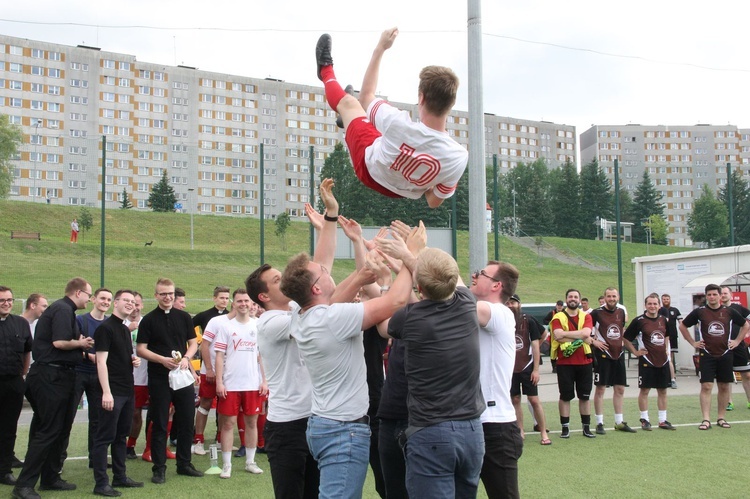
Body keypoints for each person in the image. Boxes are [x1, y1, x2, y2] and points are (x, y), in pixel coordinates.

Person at [280, 240, 414, 497]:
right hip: (344, 430)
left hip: (324, 424)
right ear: (317, 287)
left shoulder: (300, 315)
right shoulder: (333, 319)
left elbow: (329, 299)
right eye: (323, 272)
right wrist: (410, 256)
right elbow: (397, 301)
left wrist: (362, 273)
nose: (328, 271)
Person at [315, 28, 468, 208]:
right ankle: (348, 120)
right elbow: (433, 201)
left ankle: (325, 69)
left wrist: (381, 48)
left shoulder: (398, 123)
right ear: (451, 104)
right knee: (377, 128)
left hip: (369, 168)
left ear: (421, 98)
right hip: (399, 191)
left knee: (349, 103)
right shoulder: (458, 157)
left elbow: (366, 97)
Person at [383, 248, 485, 498]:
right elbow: (451, 277)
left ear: (419, 286)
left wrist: (397, 272)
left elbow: (384, 321)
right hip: (472, 431)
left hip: (431, 431)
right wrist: (412, 253)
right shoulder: (467, 304)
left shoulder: (408, 318)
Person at [13, 278, 95, 499]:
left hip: (59, 375)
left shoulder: (64, 311)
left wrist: (79, 346)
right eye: (89, 294)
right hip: (51, 376)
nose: (90, 299)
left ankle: (50, 478)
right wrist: (82, 344)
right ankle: (23, 486)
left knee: (57, 429)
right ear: (78, 293)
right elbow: (59, 342)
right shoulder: (61, 309)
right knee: (48, 430)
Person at [136, 278, 203, 484]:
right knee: (160, 422)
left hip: (182, 376)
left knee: (185, 419)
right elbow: (141, 349)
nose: (167, 297)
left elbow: (192, 343)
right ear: (156, 295)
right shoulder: (148, 320)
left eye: (170, 294)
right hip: (159, 377)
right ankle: (159, 468)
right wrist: (161, 360)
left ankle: (184, 464)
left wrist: (185, 358)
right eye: (163, 294)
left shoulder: (183, 317)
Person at [469, 263, 523, 498]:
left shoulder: (501, 312)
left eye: (481, 274)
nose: (474, 276)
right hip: (468, 423)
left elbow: (456, 295)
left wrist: (416, 257)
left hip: (496, 428)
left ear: (496, 285)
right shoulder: (474, 311)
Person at [91, 290, 144, 497]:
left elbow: (117, 356)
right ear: (116, 303)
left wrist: (132, 361)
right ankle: (101, 483)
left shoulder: (123, 329)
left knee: (121, 435)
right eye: (126, 301)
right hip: (112, 391)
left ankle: (120, 476)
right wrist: (106, 392)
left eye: (133, 302)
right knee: (104, 437)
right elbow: (101, 361)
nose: (131, 304)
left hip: (126, 389)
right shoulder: (105, 329)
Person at [679, 284, 748, 430]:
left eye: (714, 294)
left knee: (723, 386)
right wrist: (693, 342)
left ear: (720, 296)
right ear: (706, 296)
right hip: (707, 354)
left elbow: (745, 325)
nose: (712, 297)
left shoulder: (729, 311)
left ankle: (721, 418)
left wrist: (737, 341)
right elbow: (682, 326)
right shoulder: (700, 312)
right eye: (709, 295)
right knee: (706, 386)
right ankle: (706, 419)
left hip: (725, 353)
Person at [214, 289, 267, 479]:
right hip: (231, 384)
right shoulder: (226, 327)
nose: (244, 304)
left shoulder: (259, 325)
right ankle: (226, 465)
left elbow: (263, 355)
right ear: (233, 304)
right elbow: (219, 356)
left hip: (253, 384)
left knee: (251, 422)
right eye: (239, 301)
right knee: (227, 424)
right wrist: (219, 382)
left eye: (247, 301)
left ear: (252, 304)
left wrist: (264, 380)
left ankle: (250, 462)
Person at [623, 293, 676, 431]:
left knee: (663, 390)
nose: (652, 306)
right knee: (645, 390)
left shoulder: (664, 320)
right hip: (647, 361)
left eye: (655, 304)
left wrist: (666, 350)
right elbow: (626, 338)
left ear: (659, 305)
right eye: (649, 304)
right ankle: (644, 419)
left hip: (662, 361)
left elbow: (667, 336)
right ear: (645, 305)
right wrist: (635, 352)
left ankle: (663, 420)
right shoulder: (639, 321)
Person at [74, 288, 113, 467]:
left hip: (99, 376)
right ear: (93, 299)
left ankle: (96, 459)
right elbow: (74, 346)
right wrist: (89, 356)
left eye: (109, 299)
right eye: (102, 298)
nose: (105, 302)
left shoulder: (110, 323)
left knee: (98, 419)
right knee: (68, 415)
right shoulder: (81, 320)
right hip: (80, 373)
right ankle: (56, 462)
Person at [550, 288, 596, 439]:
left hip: (584, 362)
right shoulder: (558, 317)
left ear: (579, 300)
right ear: (566, 299)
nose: (573, 299)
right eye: (570, 296)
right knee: (565, 396)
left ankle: (586, 427)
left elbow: (586, 333)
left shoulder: (586, 316)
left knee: (585, 396)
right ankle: (565, 428)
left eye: (576, 297)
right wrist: (581, 337)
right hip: (564, 363)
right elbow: (557, 336)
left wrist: (566, 334)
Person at [506, 293, 550, 446]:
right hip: (510, 368)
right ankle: (520, 431)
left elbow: (538, 342)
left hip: (527, 367)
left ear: (519, 304)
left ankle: (543, 432)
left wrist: (536, 369)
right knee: (515, 399)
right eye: (508, 303)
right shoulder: (503, 321)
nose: (511, 306)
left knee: (534, 399)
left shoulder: (528, 320)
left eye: (513, 303)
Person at [591, 287, 637, 434]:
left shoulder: (621, 312)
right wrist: (594, 342)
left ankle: (619, 422)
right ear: (604, 297)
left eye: (614, 296)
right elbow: (586, 331)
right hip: (603, 355)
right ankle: (599, 423)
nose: (611, 298)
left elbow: (620, 330)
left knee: (620, 389)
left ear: (618, 297)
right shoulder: (596, 313)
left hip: (618, 355)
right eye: (609, 296)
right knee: (601, 389)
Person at [191, 286, 230, 456]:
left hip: (228, 372)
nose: (224, 301)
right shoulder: (205, 316)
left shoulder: (232, 317)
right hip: (210, 370)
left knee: (225, 406)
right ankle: (198, 440)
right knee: (205, 403)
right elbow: (197, 339)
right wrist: (208, 368)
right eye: (221, 297)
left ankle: (221, 439)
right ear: (214, 298)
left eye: (227, 298)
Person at [0, 286, 32, 488]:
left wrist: (22, 374)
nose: (7, 303)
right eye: (2, 300)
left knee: (8, 429)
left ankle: (4, 470)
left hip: (13, 382)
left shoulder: (20, 323)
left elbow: (27, 352)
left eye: (10, 299)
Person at [125, 292, 149, 460]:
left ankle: (133, 445)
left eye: (137, 304)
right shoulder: (119, 323)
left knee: (137, 412)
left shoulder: (147, 323)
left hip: (145, 376)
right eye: (131, 303)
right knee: (127, 412)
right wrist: (127, 330)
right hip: (125, 376)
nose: (135, 307)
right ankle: (119, 442)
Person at [720, 286, 750, 411]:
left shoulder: (738, 308)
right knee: (726, 376)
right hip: (722, 347)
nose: (723, 295)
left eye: (726, 293)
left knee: (747, 375)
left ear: (731, 294)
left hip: (739, 346)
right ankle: (729, 402)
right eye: (721, 293)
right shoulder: (717, 310)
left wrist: (746, 334)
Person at [658, 293, 682, 389]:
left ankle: (672, 376)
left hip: (671, 335)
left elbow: (681, 322)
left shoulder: (674, 310)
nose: (666, 301)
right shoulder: (660, 310)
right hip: (660, 337)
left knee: (670, 356)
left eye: (667, 299)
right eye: (664, 299)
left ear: (670, 299)